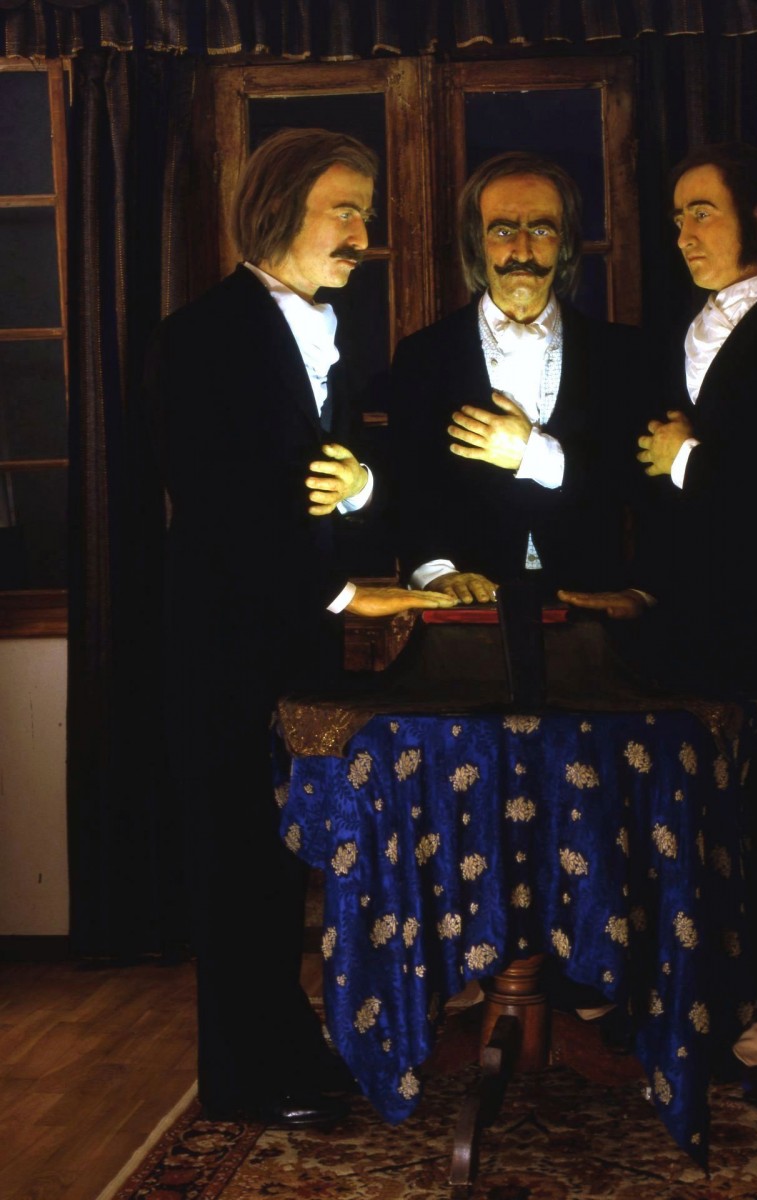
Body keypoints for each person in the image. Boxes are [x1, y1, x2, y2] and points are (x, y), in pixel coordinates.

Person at [561, 142, 757, 1109]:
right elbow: (656, 495)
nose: (683, 234)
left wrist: (688, 459)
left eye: (700, 211)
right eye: (675, 218)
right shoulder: (679, 339)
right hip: (698, 629)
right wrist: (638, 586)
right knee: (741, 829)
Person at [144, 128, 453, 1130]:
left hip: (289, 646)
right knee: (236, 864)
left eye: (366, 211)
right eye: (345, 210)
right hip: (222, 644)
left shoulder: (322, 333)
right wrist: (339, 598)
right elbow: (217, 509)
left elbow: (331, 494)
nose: (363, 233)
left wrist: (361, 488)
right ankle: (243, 1081)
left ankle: (286, 1051)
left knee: (280, 864)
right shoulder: (200, 335)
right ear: (278, 210)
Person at [387, 151, 643, 604]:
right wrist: (436, 574)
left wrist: (534, 455)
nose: (522, 252)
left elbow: (640, 484)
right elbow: (407, 490)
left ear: (565, 243)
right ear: (477, 242)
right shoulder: (421, 356)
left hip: (595, 609)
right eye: (503, 230)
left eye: (541, 230)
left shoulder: (623, 355)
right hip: (464, 614)